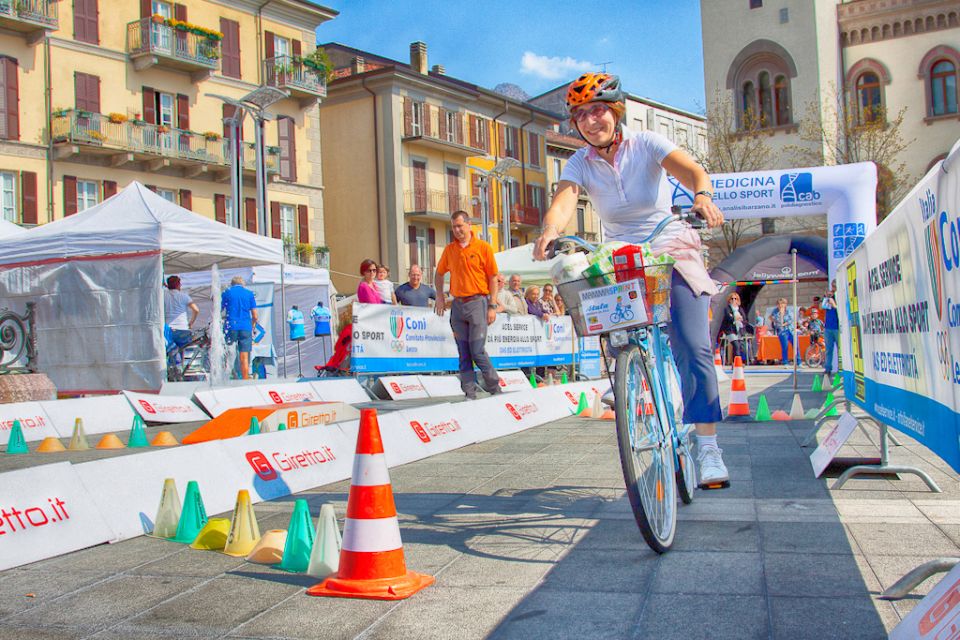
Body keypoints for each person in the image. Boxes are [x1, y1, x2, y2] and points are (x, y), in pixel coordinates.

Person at [532, 72, 729, 487]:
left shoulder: (647, 143)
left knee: (692, 344)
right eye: (581, 115)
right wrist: (550, 230)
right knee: (593, 285)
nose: (590, 120)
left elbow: (692, 170)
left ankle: (709, 448)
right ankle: (626, 371)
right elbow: (564, 201)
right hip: (622, 251)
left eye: (598, 110)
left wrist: (703, 195)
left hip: (668, 243)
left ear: (616, 112)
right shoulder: (579, 162)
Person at [435, 210, 501, 400]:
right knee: (463, 353)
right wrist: (439, 296)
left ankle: (494, 387)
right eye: (454, 227)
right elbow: (439, 274)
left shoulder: (483, 247)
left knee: (477, 351)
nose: (456, 230)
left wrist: (492, 305)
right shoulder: (449, 250)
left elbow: (493, 277)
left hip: (477, 303)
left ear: (469, 225)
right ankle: (469, 393)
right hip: (457, 306)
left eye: (460, 226)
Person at [221, 275, 258, 380]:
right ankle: (245, 379)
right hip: (245, 327)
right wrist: (252, 326)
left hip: (230, 326)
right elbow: (255, 315)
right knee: (244, 356)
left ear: (232, 284)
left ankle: (226, 377)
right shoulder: (249, 294)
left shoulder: (226, 292)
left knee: (227, 353)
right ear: (243, 284)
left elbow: (219, 309)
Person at [163, 275, 199, 352]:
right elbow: (196, 310)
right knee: (184, 351)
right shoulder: (184, 296)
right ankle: (181, 363)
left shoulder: (163, 296)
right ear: (178, 284)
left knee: (170, 353)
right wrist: (190, 323)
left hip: (170, 330)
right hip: (183, 328)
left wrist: (167, 287)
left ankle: (173, 363)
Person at [718, 292, 753, 363]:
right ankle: (738, 363)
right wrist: (734, 318)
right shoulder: (727, 309)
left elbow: (745, 319)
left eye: (735, 299)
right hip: (730, 330)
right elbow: (728, 318)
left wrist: (741, 320)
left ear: (738, 300)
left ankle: (735, 362)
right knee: (736, 345)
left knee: (738, 347)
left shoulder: (740, 309)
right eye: (732, 298)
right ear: (729, 300)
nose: (734, 300)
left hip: (739, 330)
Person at [822, 280, 840, 379]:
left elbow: (842, 310)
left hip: (837, 327)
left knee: (840, 349)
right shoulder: (830, 297)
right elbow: (823, 306)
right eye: (832, 286)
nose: (833, 288)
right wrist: (826, 297)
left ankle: (841, 368)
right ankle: (828, 368)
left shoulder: (840, 297)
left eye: (835, 286)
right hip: (828, 327)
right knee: (828, 349)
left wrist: (835, 305)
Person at [769, 298, 794, 365]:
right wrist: (778, 317)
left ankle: (798, 361)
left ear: (785, 304)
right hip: (782, 331)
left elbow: (791, 320)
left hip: (790, 329)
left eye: (782, 303)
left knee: (795, 345)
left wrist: (784, 324)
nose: (780, 305)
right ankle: (785, 361)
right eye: (779, 304)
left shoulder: (788, 311)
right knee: (785, 346)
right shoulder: (775, 311)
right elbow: (772, 318)